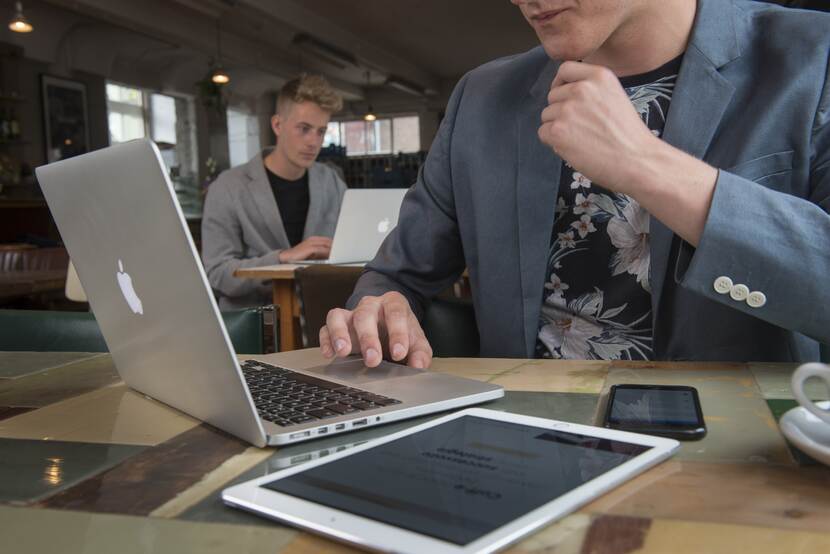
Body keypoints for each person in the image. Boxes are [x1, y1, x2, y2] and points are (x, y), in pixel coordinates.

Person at [320, 0, 830, 368]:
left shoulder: (811, 58)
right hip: (522, 454)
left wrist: (647, 164)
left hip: (738, 465)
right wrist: (380, 310)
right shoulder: (481, 98)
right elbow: (395, 278)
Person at [202, 74, 347, 309]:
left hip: (320, 322)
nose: (313, 142)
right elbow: (217, 274)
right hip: (257, 328)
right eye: (304, 129)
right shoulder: (227, 188)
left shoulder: (331, 182)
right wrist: (281, 258)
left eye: (321, 131)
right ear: (277, 125)